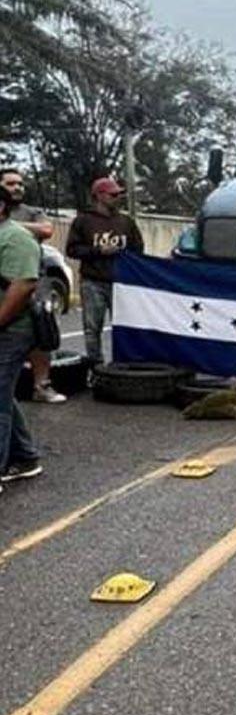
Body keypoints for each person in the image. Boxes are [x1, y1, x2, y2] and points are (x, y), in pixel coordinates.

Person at [0, 169, 64, 403]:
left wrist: (12, 225)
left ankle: (42, 385)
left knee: (40, 334)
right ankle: (21, 440)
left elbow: (47, 230)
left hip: (30, 283)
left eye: (20, 184)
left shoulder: (29, 213)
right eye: (10, 183)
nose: (17, 187)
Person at [66, 177, 144, 365]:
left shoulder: (126, 222)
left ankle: (123, 364)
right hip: (93, 281)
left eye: (119, 194)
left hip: (121, 282)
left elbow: (138, 248)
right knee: (93, 328)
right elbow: (72, 250)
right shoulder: (83, 221)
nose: (118, 197)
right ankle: (95, 366)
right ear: (99, 196)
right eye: (113, 194)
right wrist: (98, 251)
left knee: (124, 326)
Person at [0, 185, 43, 490]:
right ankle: (26, 456)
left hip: (12, 328)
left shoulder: (16, 238)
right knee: (2, 394)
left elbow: (23, 286)